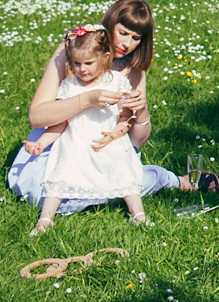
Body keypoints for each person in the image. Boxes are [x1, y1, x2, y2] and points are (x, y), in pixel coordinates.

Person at [7, 0, 219, 221]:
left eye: (135, 38)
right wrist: (86, 100)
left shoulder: (133, 70)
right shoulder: (75, 52)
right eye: (122, 33)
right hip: (62, 145)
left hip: (104, 150)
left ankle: (172, 180)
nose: (127, 43)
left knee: (124, 183)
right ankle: (169, 181)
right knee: (44, 194)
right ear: (110, 24)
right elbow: (37, 116)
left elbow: (136, 141)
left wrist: (141, 110)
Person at [27, 24, 146, 234]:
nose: (82, 69)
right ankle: (45, 218)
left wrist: (114, 135)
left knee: (124, 171)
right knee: (60, 175)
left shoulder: (116, 82)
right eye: (76, 64)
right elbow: (60, 122)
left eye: (88, 63)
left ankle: (138, 214)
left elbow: (125, 115)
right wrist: (41, 143)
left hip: (107, 140)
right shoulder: (69, 85)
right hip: (76, 141)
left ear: (105, 58)